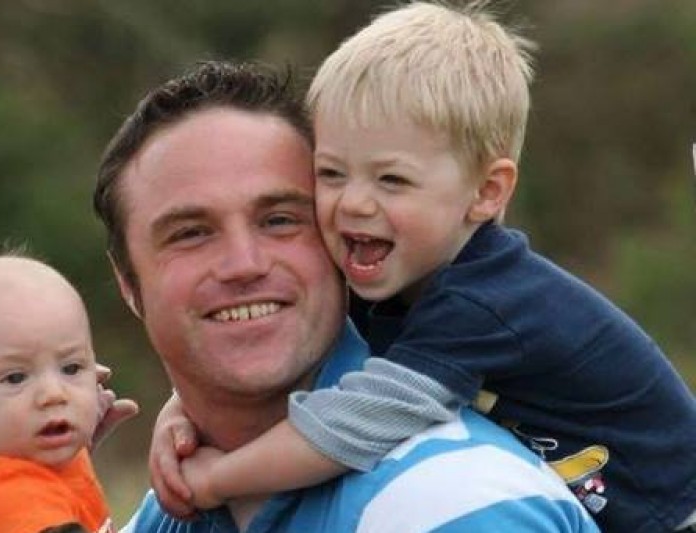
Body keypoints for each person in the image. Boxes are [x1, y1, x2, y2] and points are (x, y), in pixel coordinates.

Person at [147, 3, 696, 532]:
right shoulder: (398, 274)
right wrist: (185, 413)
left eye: (392, 180)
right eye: (332, 174)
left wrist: (217, 479)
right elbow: (288, 349)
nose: (353, 203)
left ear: (486, 192)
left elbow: (354, 426)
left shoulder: (485, 301)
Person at [92, 59, 598, 532]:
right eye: (190, 233)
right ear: (127, 282)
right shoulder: (170, 510)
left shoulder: (447, 502)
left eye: (280, 220)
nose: (244, 264)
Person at [0, 254, 121, 533]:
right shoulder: (5, 494)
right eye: (15, 378)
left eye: (71, 368)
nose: (54, 394)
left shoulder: (39, 455)